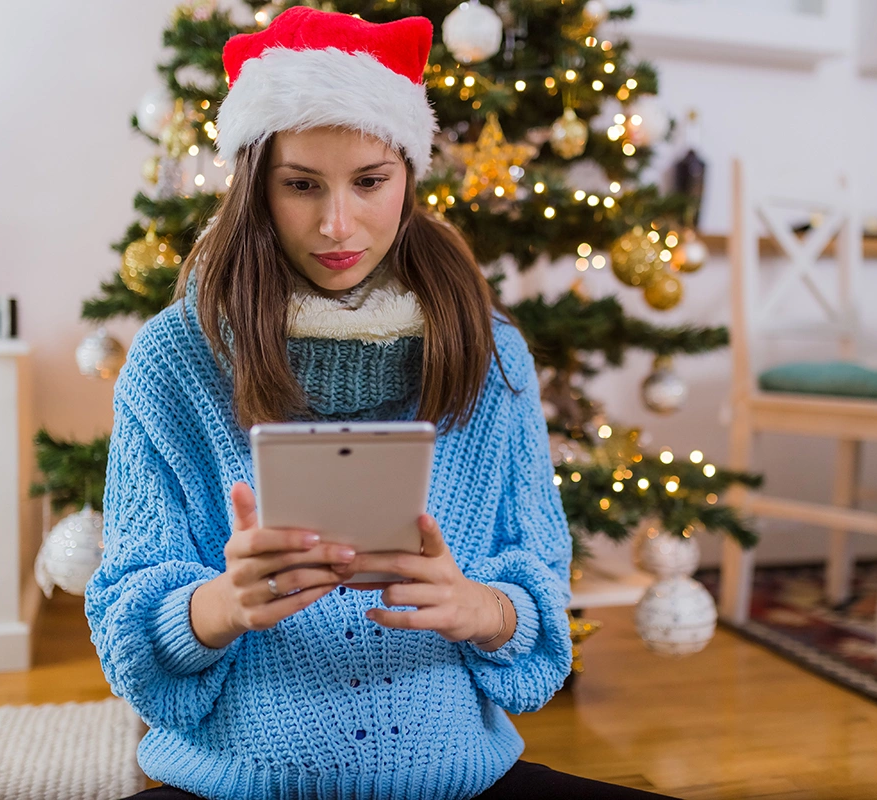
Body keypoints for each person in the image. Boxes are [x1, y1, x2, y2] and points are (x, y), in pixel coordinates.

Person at [85, 7, 673, 800]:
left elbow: (535, 596)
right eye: (301, 185)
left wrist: (477, 609)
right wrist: (220, 606)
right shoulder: (175, 357)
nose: (337, 224)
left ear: (409, 176)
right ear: (256, 184)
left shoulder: (494, 354)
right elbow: (128, 623)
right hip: (234, 781)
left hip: (457, 777)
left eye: (370, 181)